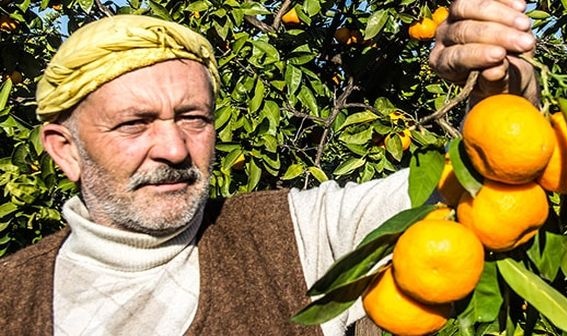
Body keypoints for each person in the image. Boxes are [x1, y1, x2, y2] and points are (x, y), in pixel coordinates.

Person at [0, 0, 536, 335]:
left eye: (193, 118)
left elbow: (474, 190)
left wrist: (501, 93)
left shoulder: (300, 236)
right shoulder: (11, 298)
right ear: (64, 149)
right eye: (135, 124)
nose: (175, 149)